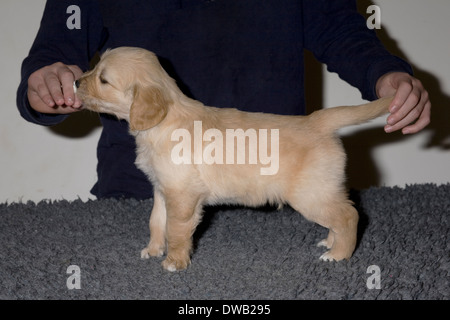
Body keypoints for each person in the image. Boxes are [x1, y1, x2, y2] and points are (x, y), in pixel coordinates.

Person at [17, 0, 431, 200]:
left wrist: (384, 73)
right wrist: (45, 81)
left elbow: (338, 27)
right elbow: (55, 50)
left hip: (272, 181)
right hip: (144, 193)